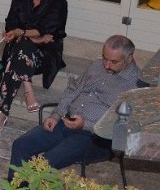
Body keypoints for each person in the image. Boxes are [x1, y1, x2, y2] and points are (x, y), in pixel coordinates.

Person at [9, 35, 140, 176]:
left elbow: (122, 126)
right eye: (104, 58)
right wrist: (56, 115)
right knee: (21, 145)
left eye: (114, 62)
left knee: (45, 162)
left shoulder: (136, 85)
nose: (107, 65)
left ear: (129, 58)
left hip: (94, 138)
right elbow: (73, 89)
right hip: (66, 121)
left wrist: (85, 125)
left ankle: (29, 188)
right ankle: (14, 189)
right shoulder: (97, 66)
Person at [0, 0, 67, 134]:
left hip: (45, 53)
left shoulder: (58, 3)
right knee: (23, 46)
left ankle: (2, 112)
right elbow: (11, 25)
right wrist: (32, 37)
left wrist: (24, 34)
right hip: (19, 47)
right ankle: (28, 89)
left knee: (21, 49)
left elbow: (48, 30)